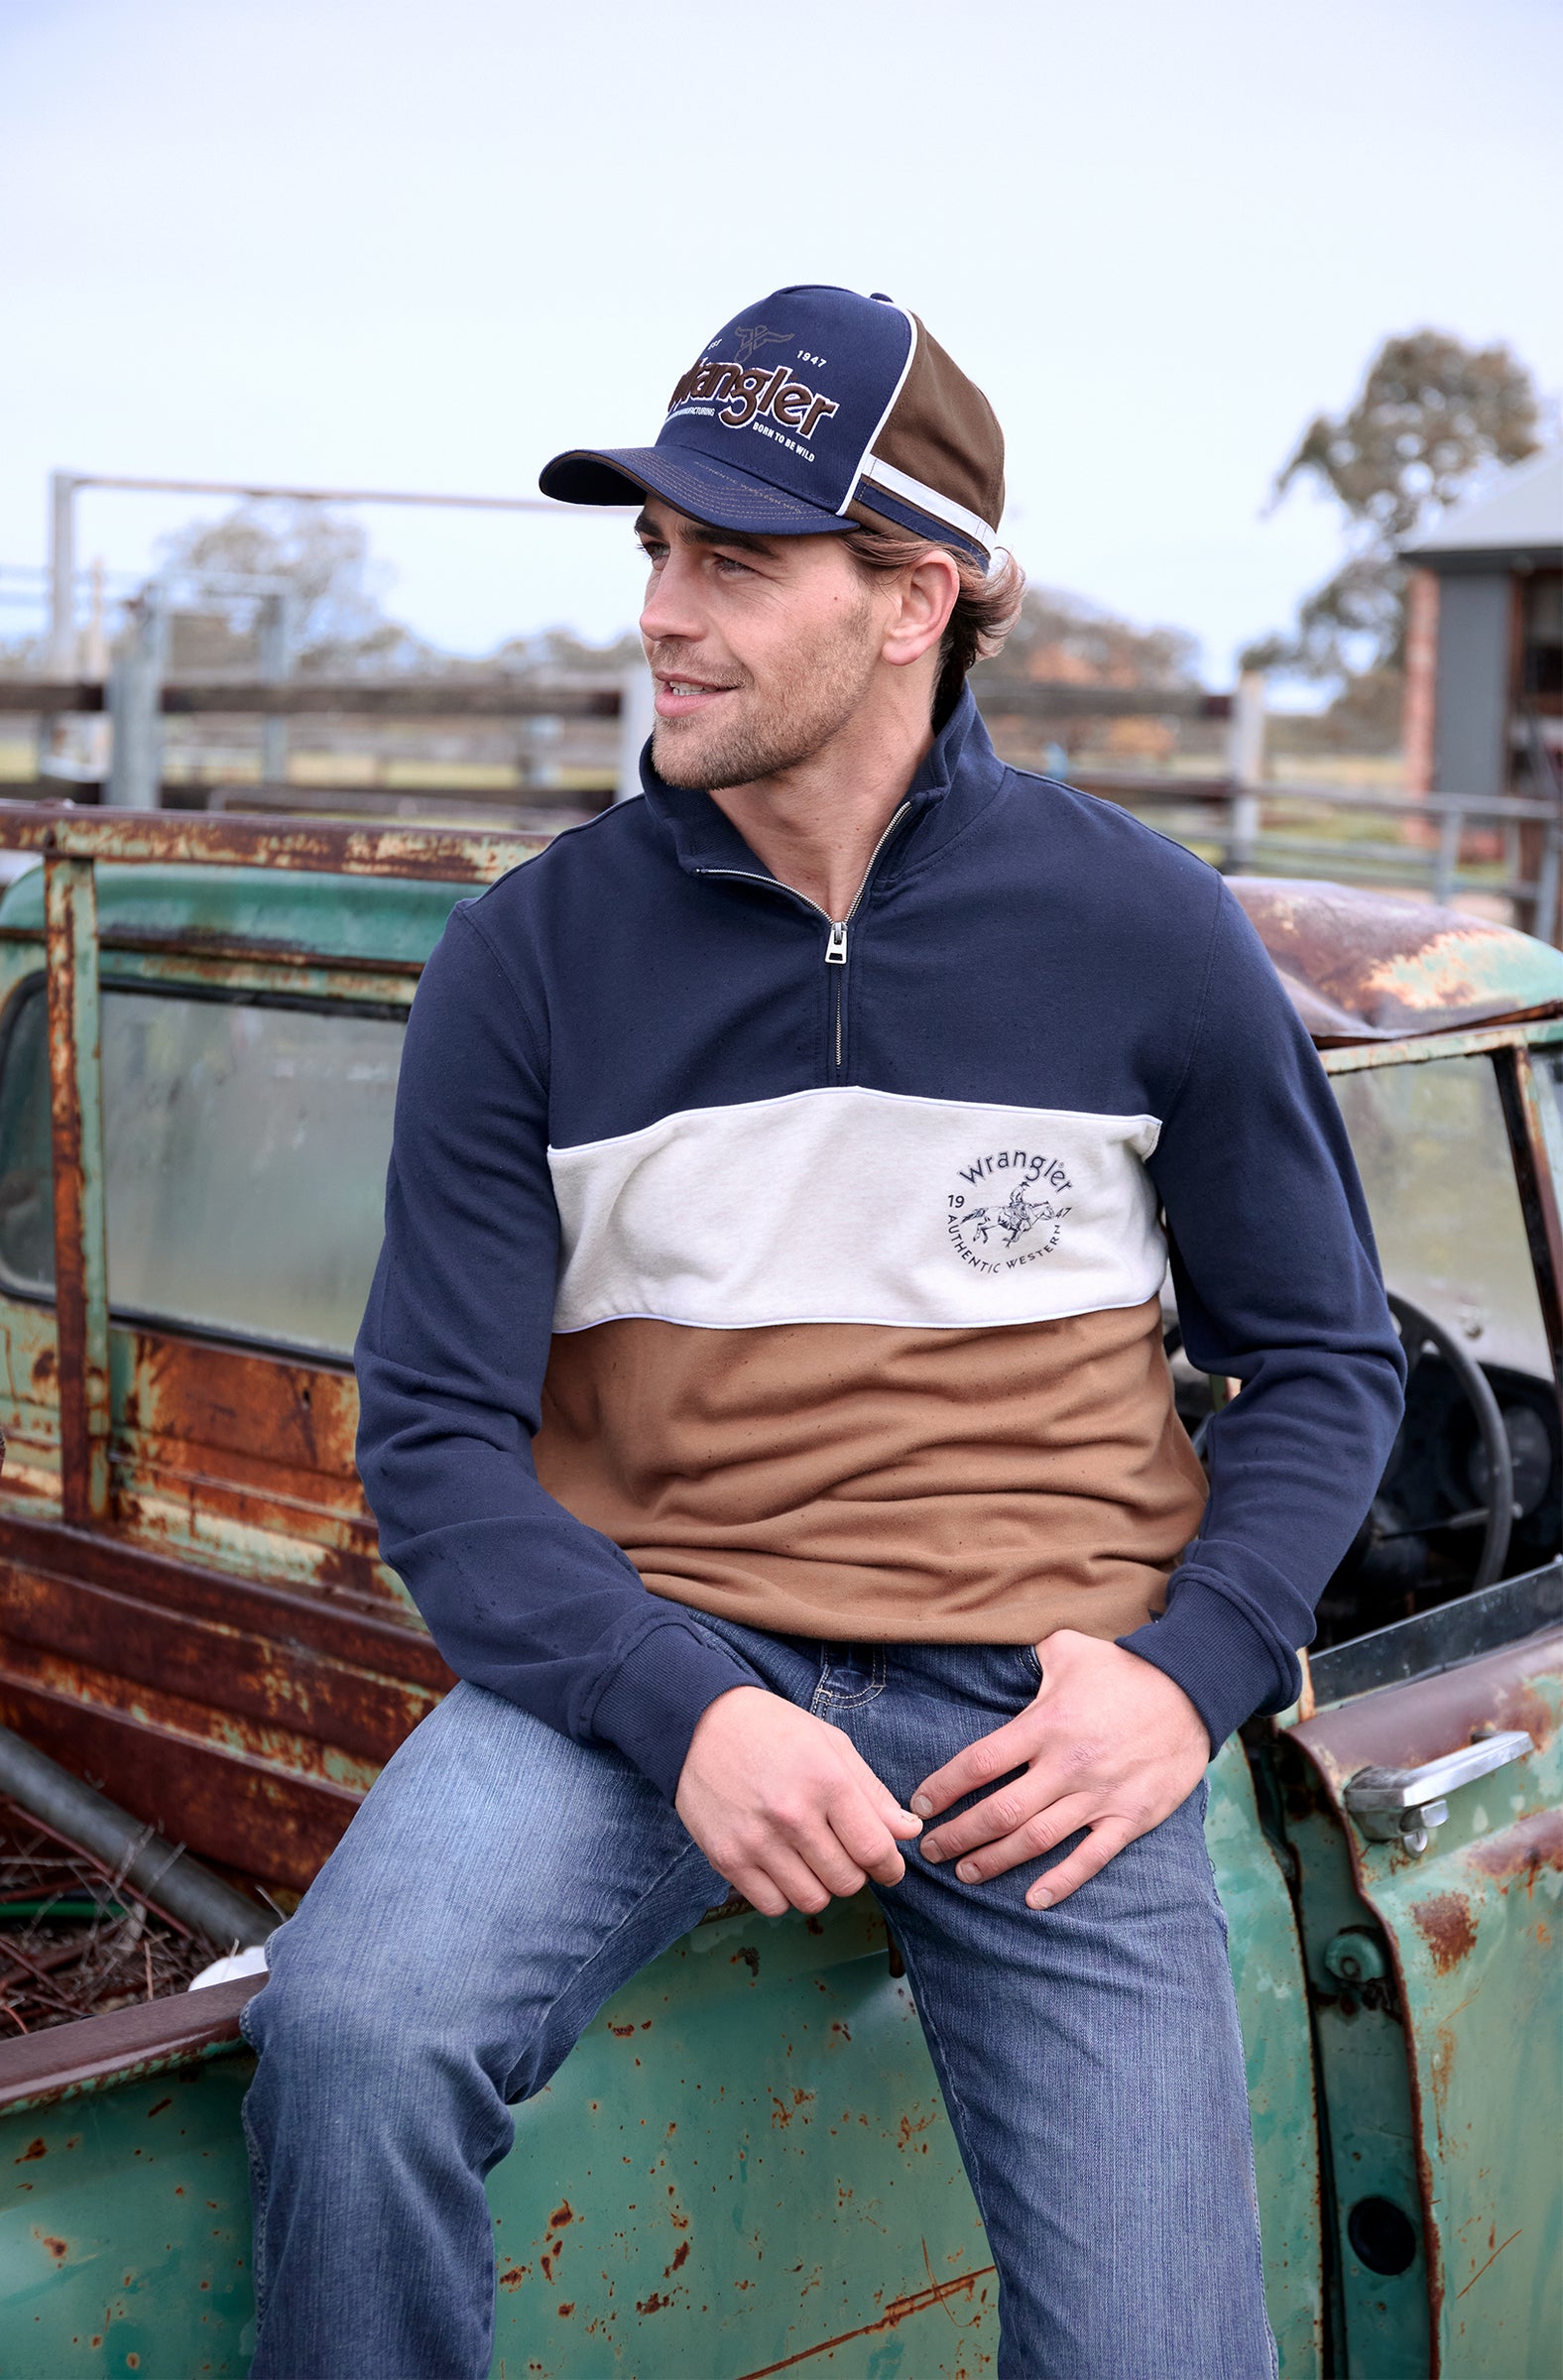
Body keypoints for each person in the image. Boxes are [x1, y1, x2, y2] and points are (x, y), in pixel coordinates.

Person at [241, 285, 1405, 2379]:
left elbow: (1324, 1364)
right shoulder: (528, 958)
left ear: (910, 603)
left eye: (732, 561)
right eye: (653, 552)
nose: (662, 615)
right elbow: (426, 1436)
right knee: (351, 2035)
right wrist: (680, 1709)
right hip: (652, 1656)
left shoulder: (1137, 926)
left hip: (1039, 1712)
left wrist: (1180, 1689)